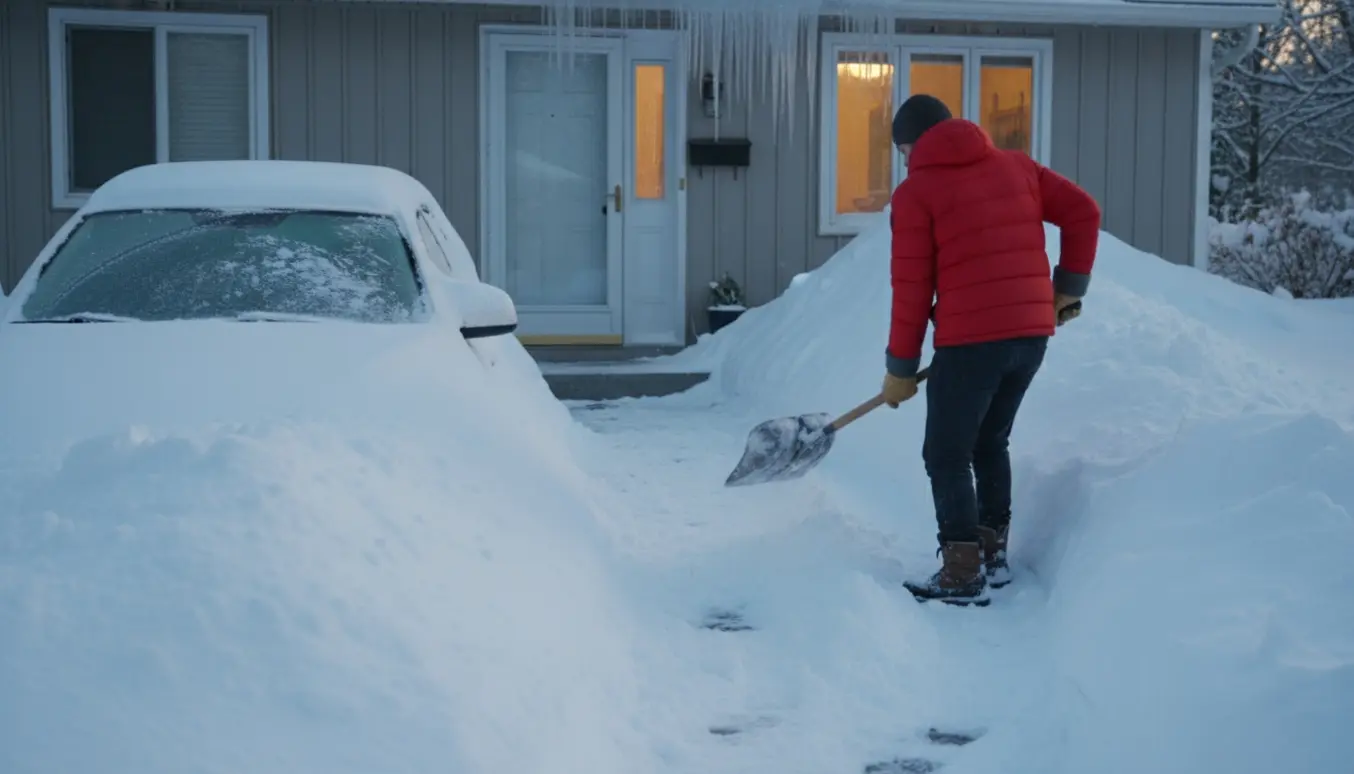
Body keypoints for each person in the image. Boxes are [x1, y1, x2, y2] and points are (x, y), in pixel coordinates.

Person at [880, 94, 1101, 607]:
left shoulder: (917, 193)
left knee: (946, 453)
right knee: (988, 443)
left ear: (914, 143)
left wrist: (901, 367)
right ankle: (991, 556)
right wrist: (1068, 288)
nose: (905, 159)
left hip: (971, 344)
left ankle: (962, 574)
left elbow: (912, 288)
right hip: (1030, 337)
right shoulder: (1017, 167)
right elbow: (1083, 213)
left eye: (903, 149)